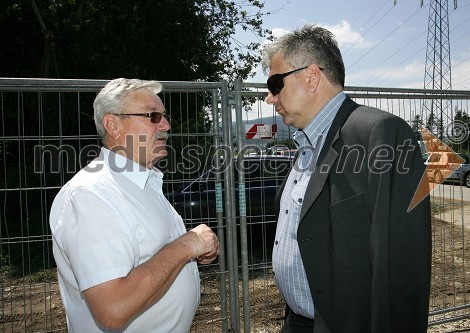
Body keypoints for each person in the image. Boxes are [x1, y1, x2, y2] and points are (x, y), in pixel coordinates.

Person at [261, 25, 431, 332]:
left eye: (274, 84)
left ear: (311, 76)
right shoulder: (304, 145)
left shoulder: (380, 134)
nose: (269, 98)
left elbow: (400, 265)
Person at [50, 78, 219, 332]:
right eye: (152, 116)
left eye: (164, 116)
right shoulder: (91, 195)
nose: (166, 125)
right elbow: (114, 309)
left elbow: (153, 255)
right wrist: (187, 245)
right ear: (113, 125)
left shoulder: (143, 181)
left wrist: (194, 250)